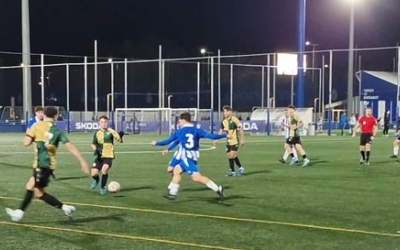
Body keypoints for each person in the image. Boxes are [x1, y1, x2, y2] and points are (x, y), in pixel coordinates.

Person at [5, 106, 90, 222]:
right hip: (49, 166)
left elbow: (26, 143)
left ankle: (64, 208)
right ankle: (19, 212)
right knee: (30, 186)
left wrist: (30, 134)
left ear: (44, 115)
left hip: (41, 165)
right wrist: (83, 162)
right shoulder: (57, 131)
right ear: (56, 116)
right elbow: (70, 147)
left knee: (39, 193)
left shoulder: (36, 126)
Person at [151, 112, 228, 201]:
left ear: (184, 120)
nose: (179, 123)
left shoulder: (179, 131)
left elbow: (167, 141)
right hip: (191, 157)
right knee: (176, 170)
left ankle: (218, 188)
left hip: (187, 158)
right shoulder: (197, 130)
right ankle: (172, 193)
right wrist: (224, 135)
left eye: (179, 121)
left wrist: (156, 143)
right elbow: (211, 136)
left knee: (196, 178)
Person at [90, 115, 124, 195]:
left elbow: (119, 140)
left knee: (104, 170)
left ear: (107, 123)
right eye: (102, 122)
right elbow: (93, 144)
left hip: (108, 155)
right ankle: (96, 180)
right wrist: (95, 150)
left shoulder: (111, 131)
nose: (103, 124)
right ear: (99, 123)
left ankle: (102, 187)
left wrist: (120, 136)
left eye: (105, 122)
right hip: (99, 156)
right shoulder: (96, 133)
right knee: (93, 173)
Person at [215, 105, 245, 176]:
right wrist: (216, 139)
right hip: (228, 142)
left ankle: (237, 169)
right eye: (224, 112)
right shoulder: (224, 121)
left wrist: (242, 140)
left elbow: (241, 129)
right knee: (230, 156)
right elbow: (221, 130)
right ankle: (234, 171)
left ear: (229, 112)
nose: (224, 113)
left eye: (225, 111)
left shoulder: (235, 119)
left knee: (232, 155)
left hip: (235, 141)